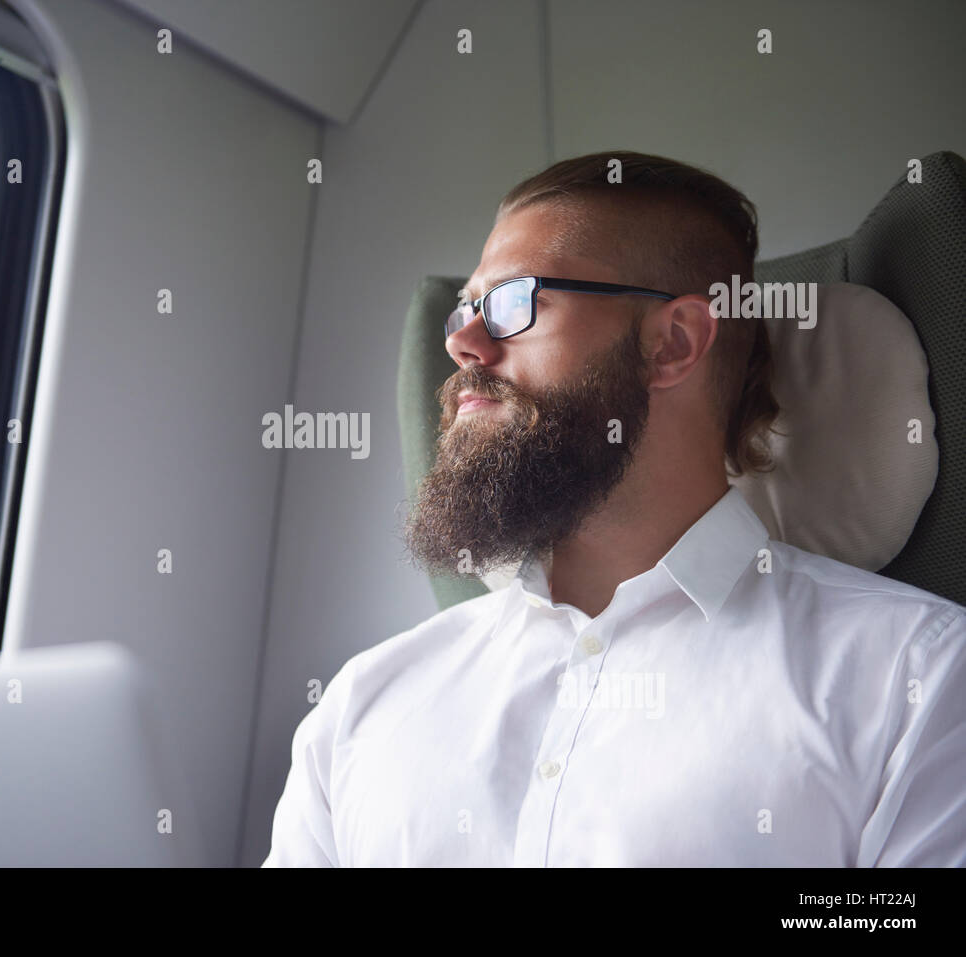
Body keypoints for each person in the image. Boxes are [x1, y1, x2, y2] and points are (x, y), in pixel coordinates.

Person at [261, 151, 966, 866]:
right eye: (465, 308)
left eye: (513, 301)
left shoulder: (921, 682)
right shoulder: (358, 710)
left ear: (672, 343)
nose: (461, 342)